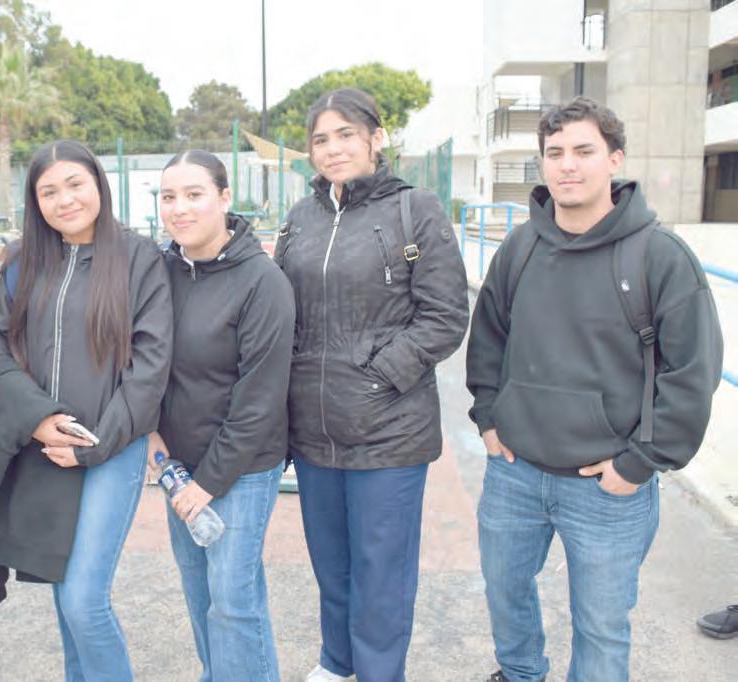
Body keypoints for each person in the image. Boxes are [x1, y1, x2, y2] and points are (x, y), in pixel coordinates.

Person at [466, 97, 724, 682]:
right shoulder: (520, 248)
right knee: (504, 593)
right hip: (514, 472)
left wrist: (640, 463)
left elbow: (692, 372)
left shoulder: (659, 256)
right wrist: (488, 418)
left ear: (614, 159)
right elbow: (488, 339)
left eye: (583, 150)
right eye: (554, 152)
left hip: (608, 488)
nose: (567, 165)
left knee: (601, 629)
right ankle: (520, 673)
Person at [274, 87, 469, 682]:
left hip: (389, 432)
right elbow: (281, 311)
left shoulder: (416, 209)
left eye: (346, 135)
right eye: (320, 139)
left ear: (376, 138)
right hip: (313, 430)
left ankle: (380, 672)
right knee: (331, 566)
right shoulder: (301, 218)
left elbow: (445, 317)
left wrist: (377, 378)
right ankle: (338, 663)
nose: (333, 149)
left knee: (381, 571)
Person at [0, 140, 172, 680]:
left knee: (85, 599)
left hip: (111, 448)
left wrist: (96, 444)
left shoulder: (138, 258)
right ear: (35, 201)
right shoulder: (23, 261)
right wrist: (37, 418)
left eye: (75, 184)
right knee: (65, 595)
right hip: (43, 448)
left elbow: (150, 367)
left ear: (98, 184)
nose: (65, 200)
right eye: (49, 191)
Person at [148, 150, 295, 681]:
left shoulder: (262, 282)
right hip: (177, 463)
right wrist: (153, 438)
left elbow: (260, 399)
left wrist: (206, 484)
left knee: (233, 600)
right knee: (201, 594)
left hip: (242, 466)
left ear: (225, 198)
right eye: (169, 197)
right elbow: (144, 361)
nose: (179, 208)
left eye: (194, 195)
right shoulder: (160, 271)